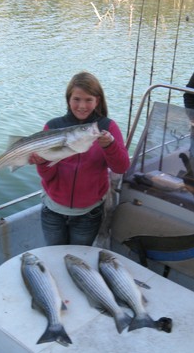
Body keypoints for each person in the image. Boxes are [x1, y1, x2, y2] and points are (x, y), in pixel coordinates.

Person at [28, 71, 130, 246]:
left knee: (79, 256)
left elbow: (121, 167)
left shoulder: (107, 127)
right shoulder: (53, 126)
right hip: (53, 210)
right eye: (76, 99)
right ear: (68, 99)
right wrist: (43, 162)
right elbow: (47, 176)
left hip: (88, 213)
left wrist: (109, 146)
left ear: (97, 100)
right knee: (54, 255)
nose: (82, 106)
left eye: (88, 99)